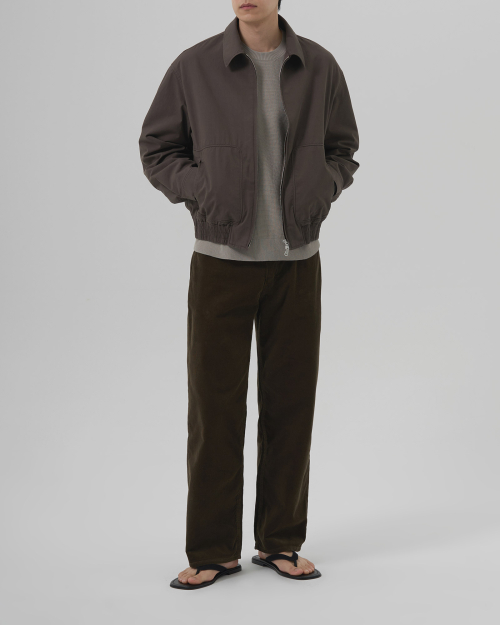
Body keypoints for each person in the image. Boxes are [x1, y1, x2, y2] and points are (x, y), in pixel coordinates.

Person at [138, 0, 359, 589]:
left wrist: (321, 189)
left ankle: (281, 541)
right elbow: (157, 149)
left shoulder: (320, 67)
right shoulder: (195, 66)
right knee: (214, 411)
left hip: (296, 264)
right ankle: (213, 550)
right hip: (220, 262)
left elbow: (343, 150)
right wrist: (203, 190)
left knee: (290, 406)